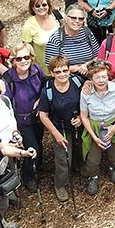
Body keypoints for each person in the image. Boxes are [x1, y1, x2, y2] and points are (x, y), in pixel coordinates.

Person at [79, 60, 115, 195]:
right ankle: (93, 176)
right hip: (95, 127)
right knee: (93, 158)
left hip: (113, 124)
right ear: (91, 79)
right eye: (97, 77)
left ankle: (114, 168)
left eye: (104, 77)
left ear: (108, 76)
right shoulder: (86, 93)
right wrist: (94, 137)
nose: (101, 81)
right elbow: (84, 116)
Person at [36, 55, 82, 203]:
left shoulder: (77, 82)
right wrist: (55, 134)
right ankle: (60, 184)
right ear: (52, 72)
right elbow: (43, 115)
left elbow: (88, 100)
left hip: (78, 124)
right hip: (59, 127)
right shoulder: (47, 91)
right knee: (63, 158)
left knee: (79, 150)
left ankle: (78, 169)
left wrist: (81, 117)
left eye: (65, 70)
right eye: (58, 71)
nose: (62, 74)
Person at [2, 43, 45, 192]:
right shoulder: (8, 79)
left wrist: (41, 100)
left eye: (26, 57)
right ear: (13, 61)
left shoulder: (36, 70)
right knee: (31, 146)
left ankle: (37, 166)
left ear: (32, 57)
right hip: (21, 121)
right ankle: (28, 177)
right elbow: (5, 103)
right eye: (18, 58)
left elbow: (45, 85)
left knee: (38, 142)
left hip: (38, 116)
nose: (23, 61)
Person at [44, 4, 100, 78]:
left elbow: (98, 55)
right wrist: (77, 69)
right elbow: (51, 66)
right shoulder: (56, 39)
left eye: (80, 19)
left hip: (91, 75)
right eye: (73, 18)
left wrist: (87, 65)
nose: (77, 21)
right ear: (66, 18)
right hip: (66, 79)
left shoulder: (87, 33)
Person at [20, 0, 61, 76]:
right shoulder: (28, 25)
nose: (41, 8)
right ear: (33, 8)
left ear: (49, 5)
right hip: (45, 70)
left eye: (44, 5)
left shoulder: (59, 16)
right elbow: (26, 49)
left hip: (66, 65)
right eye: (37, 6)